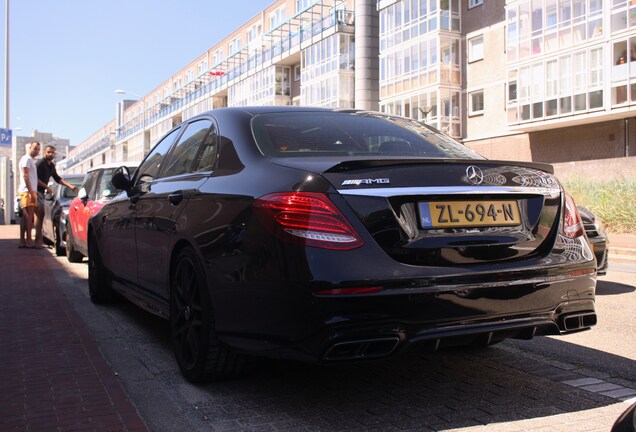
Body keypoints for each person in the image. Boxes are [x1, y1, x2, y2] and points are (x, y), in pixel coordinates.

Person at [34, 145, 78, 247]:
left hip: (41, 192)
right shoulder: (40, 163)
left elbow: (57, 178)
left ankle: (39, 239)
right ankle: (38, 240)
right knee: (39, 215)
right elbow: (35, 178)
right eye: (48, 152)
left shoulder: (51, 166)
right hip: (36, 191)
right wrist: (47, 187)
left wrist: (69, 186)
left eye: (52, 152)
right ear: (45, 152)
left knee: (41, 215)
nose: (50, 154)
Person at [17, 141, 41, 248]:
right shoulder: (26, 159)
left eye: (38, 149)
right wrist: (31, 191)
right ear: (30, 147)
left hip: (30, 191)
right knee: (28, 216)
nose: (36, 151)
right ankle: (29, 241)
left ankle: (23, 241)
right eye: (35, 148)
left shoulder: (31, 160)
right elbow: (25, 176)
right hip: (27, 191)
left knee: (26, 217)